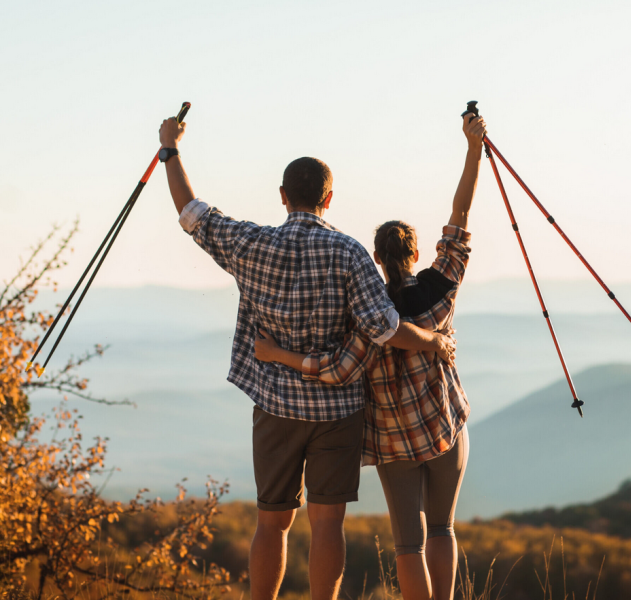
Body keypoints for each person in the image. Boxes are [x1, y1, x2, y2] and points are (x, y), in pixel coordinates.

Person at [157, 117, 454, 600]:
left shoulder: (251, 244)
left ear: (282, 195)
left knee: (271, 523)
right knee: (326, 523)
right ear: (329, 199)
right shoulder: (350, 253)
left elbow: (190, 211)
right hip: (338, 413)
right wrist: (434, 342)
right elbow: (385, 329)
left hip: (274, 407)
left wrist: (170, 149)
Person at [254, 112, 486, 600]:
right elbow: (460, 218)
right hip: (445, 427)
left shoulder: (366, 317)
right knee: (443, 529)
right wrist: (472, 149)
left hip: (393, 445)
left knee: (409, 545)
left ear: (376, 259)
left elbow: (336, 370)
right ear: (417, 251)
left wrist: (278, 354)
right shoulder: (441, 289)